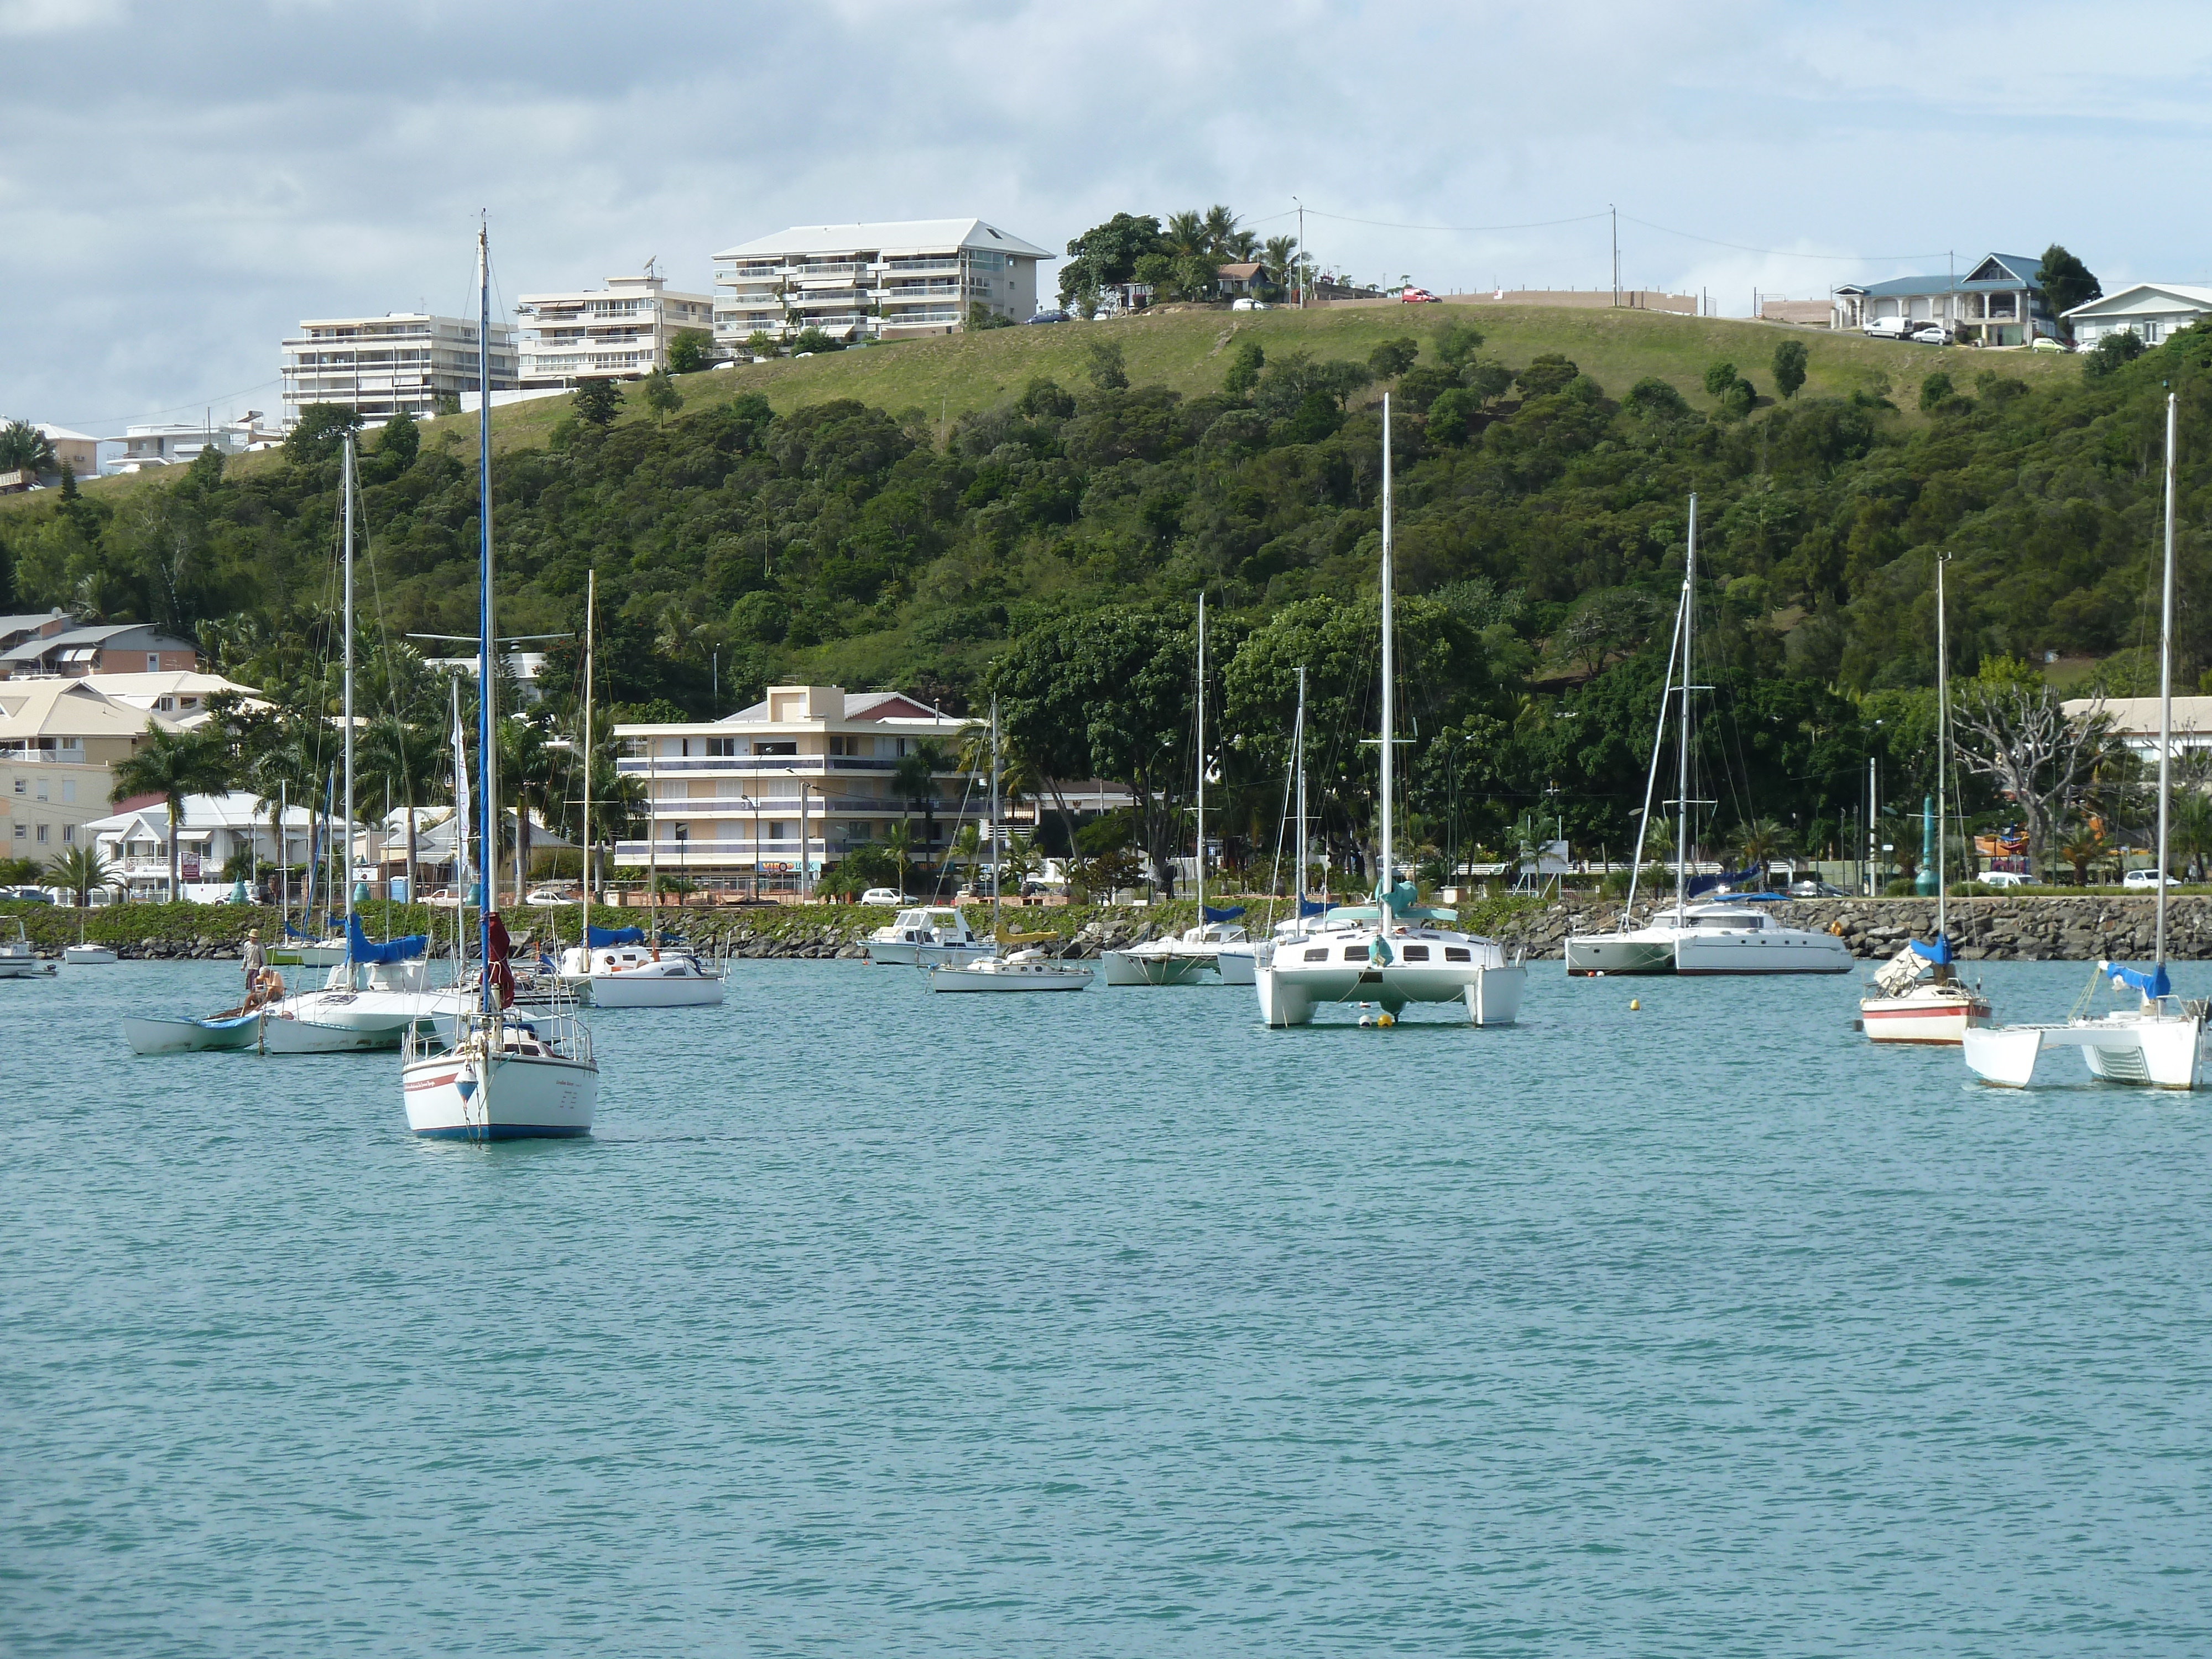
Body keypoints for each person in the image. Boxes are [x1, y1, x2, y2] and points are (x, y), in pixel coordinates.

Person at [241, 928, 265, 997]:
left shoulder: (260, 946)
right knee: (250, 985)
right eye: (254, 938)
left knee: (258, 985)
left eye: (256, 938)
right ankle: (253, 998)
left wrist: (264, 967)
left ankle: (258, 998)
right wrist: (243, 966)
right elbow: (246, 956)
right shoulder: (247, 945)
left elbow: (264, 957)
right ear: (250, 937)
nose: (255, 940)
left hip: (258, 968)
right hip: (250, 967)